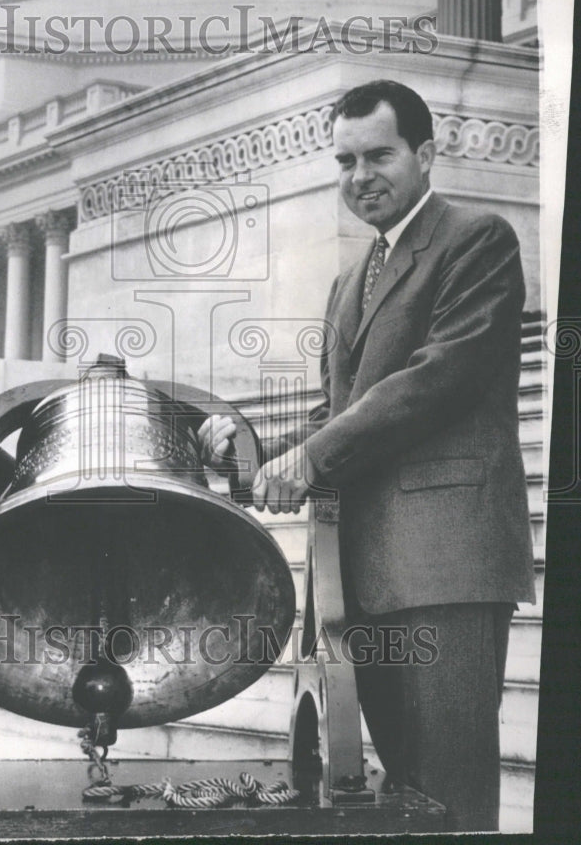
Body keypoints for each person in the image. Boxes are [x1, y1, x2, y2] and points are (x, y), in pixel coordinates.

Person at [200, 79, 536, 831]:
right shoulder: (349, 281)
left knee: (450, 795)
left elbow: (433, 382)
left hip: (444, 563)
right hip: (361, 572)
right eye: (344, 161)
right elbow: (339, 412)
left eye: (377, 155)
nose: (359, 177)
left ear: (424, 153)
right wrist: (250, 454)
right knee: (401, 796)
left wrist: (311, 458)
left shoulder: (477, 241)